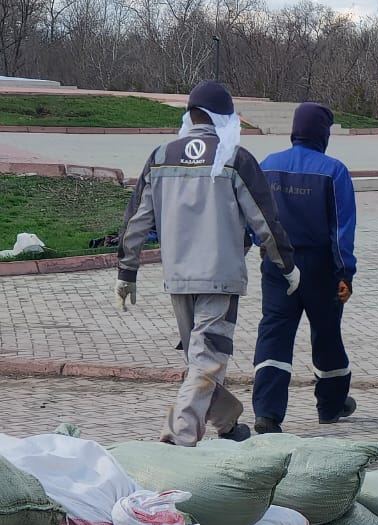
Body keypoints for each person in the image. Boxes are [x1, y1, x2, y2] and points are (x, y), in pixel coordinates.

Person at [115, 80, 299, 446]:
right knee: (204, 362)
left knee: (199, 361)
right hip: (220, 278)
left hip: (178, 279)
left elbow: (137, 218)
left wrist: (127, 270)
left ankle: (228, 422)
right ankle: (177, 439)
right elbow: (265, 219)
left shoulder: (161, 156)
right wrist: (287, 265)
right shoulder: (235, 158)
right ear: (224, 118)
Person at [251, 102, 358, 433]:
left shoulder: (267, 166)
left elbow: (253, 215)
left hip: (276, 264)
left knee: (274, 332)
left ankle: (267, 413)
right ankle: (330, 404)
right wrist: (345, 273)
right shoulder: (333, 171)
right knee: (326, 333)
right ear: (323, 133)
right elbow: (341, 229)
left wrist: (260, 246)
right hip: (320, 268)